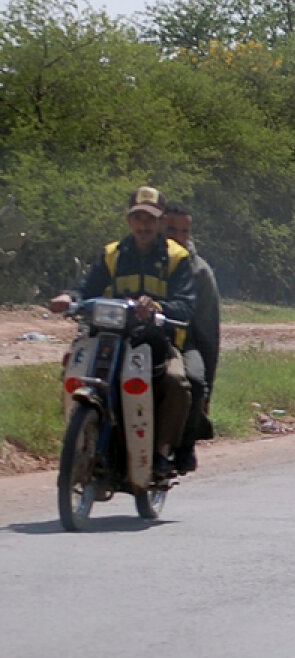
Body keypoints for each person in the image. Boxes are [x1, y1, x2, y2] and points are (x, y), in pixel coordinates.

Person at [50, 186, 196, 477]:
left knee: (177, 382)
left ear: (160, 221)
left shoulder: (178, 258)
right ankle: (82, 438)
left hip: (156, 339)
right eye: (138, 218)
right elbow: (87, 286)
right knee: (73, 366)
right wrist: (69, 298)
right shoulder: (112, 253)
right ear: (129, 220)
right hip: (110, 334)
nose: (143, 225)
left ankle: (158, 454)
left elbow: (185, 306)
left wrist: (156, 307)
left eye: (150, 219)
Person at [163, 200, 221, 474]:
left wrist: (208, 387)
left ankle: (184, 447)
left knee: (194, 383)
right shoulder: (137, 259)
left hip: (184, 342)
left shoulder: (199, 271)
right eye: (170, 229)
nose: (177, 237)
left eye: (183, 231)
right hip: (137, 338)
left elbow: (208, 333)